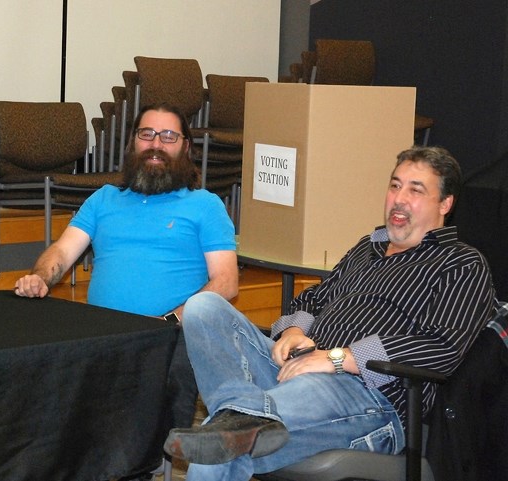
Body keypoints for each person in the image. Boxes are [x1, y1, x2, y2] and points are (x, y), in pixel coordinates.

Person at [163, 146, 497, 480]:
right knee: (203, 308)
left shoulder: (461, 263)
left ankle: (237, 419)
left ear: (445, 203)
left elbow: (441, 347)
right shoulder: (368, 248)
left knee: (218, 446)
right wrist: (293, 333)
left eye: (416, 189)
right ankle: (241, 413)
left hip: (367, 396)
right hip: (298, 367)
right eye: (395, 185)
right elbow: (313, 298)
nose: (399, 198)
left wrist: (337, 359)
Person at [14, 103, 239, 434]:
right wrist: (40, 277)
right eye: (147, 134)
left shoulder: (204, 205)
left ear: (185, 147)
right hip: (100, 332)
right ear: (133, 142)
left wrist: (167, 322)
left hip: (167, 335)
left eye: (168, 136)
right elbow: (62, 251)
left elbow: (226, 283)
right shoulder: (104, 199)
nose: (156, 145)